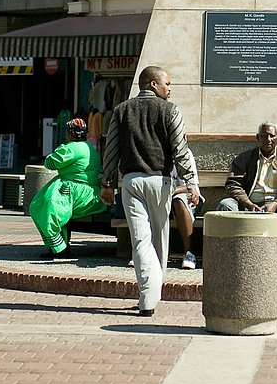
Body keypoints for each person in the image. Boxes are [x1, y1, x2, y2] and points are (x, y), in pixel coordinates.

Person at [101, 66, 198, 317]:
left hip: (131, 182)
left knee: (140, 241)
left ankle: (147, 297)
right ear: (152, 84)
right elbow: (180, 151)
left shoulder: (122, 110)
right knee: (159, 240)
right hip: (160, 182)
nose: (170, 88)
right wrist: (191, 183)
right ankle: (152, 296)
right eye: (167, 83)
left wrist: (106, 183)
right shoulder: (171, 110)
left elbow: (111, 150)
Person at [217, 121, 277, 271]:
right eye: (264, 136)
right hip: (248, 208)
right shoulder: (245, 158)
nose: (268, 139)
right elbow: (232, 184)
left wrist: (276, 204)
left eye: (271, 136)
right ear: (257, 138)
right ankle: (224, 255)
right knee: (225, 205)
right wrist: (247, 203)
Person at [29, 117, 106, 259]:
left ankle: (59, 248)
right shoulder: (89, 147)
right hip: (90, 192)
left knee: (47, 207)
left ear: (70, 133)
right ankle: (59, 246)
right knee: (55, 209)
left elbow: (50, 163)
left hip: (76, 191)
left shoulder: (72, 148)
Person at [171, 148, 204, 270]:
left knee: (178, 200)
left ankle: (189, 253)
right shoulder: (155, 150)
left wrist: (170, 191)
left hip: (188, 197)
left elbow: (191, 186)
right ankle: (142, 251)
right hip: (163, 197)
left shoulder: (185, 153)